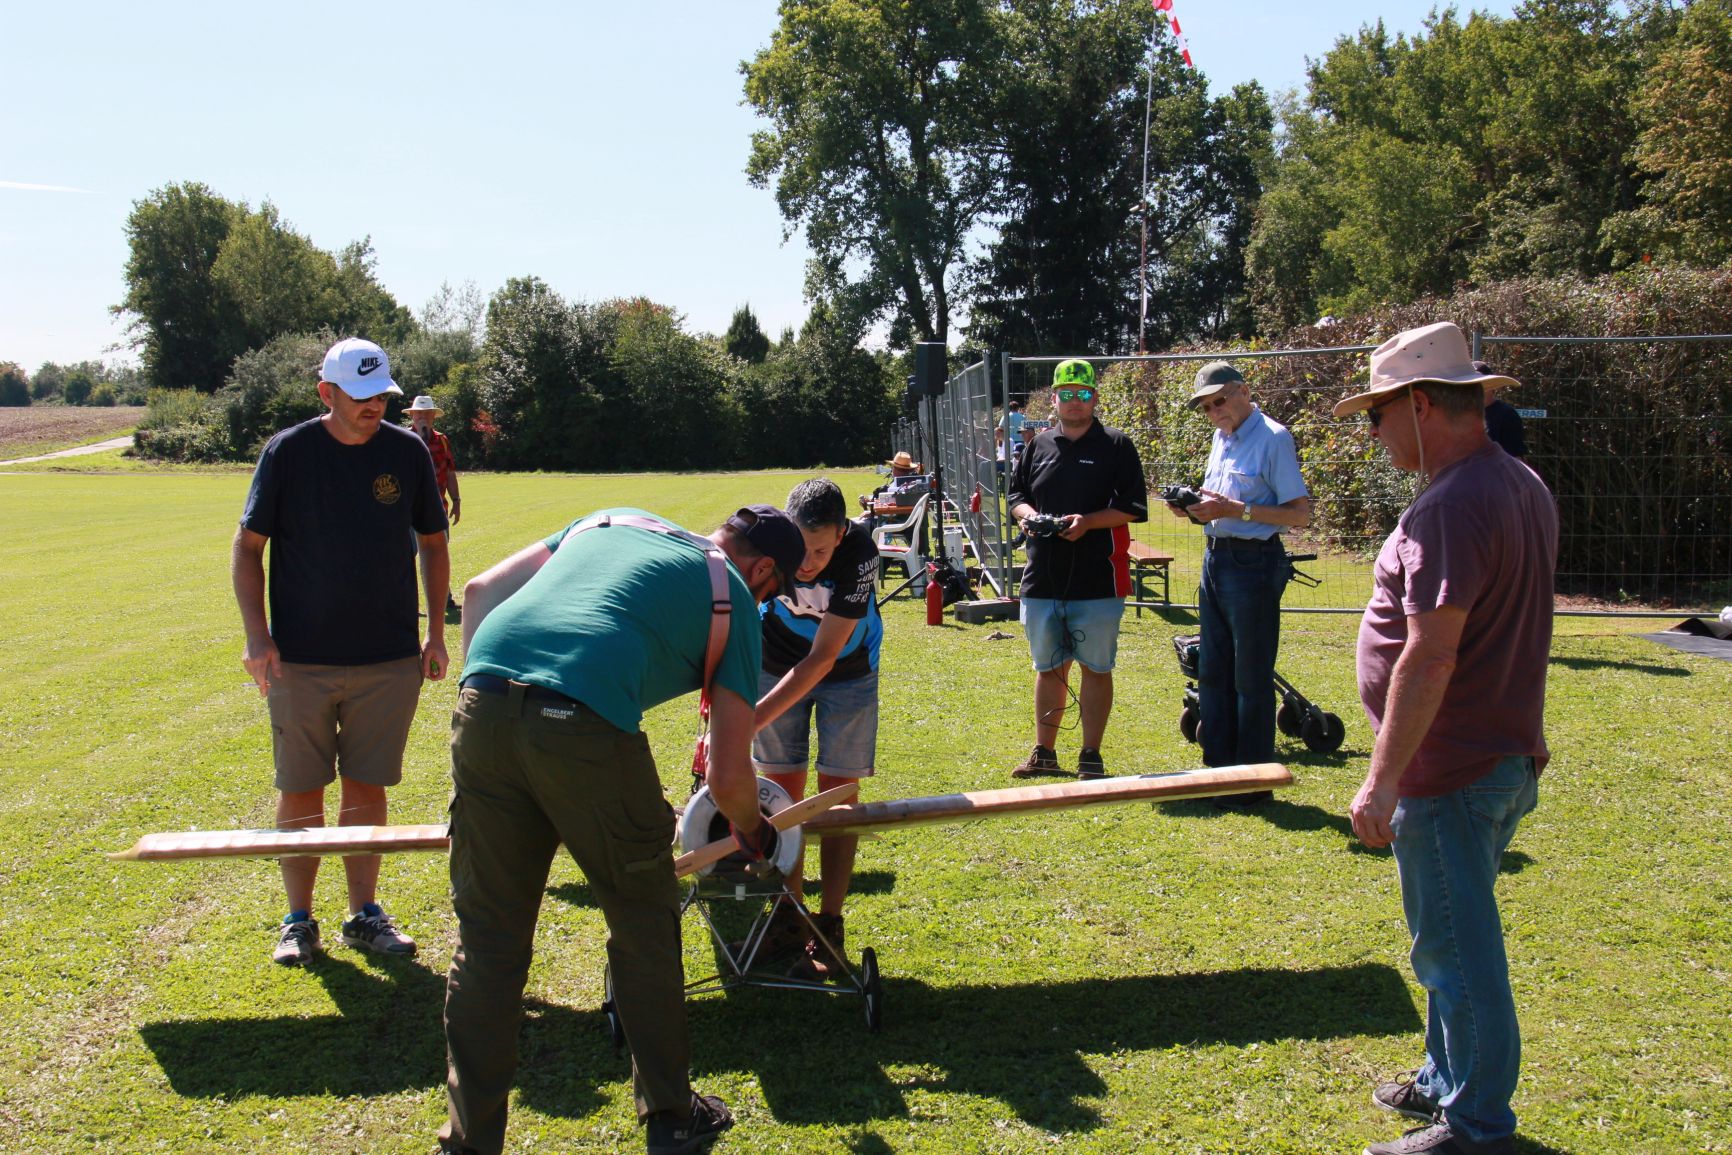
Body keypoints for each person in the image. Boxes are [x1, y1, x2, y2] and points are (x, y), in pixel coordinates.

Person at [439, 504, 808, 1155]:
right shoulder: (733, 593)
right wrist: (755, 832)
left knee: (488, 940)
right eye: (772, 592)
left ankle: (468, 1143)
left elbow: (478, 591)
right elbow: (729, 776)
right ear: (763, 570)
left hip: (483, 701)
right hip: (583, 720)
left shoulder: (614, 520)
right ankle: (671, 1116)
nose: (765, 604)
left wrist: (499, 715)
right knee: (643, 924)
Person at [1337, 322, 1556, 1155]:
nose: (1373, 432)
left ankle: (1476, 1124)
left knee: (1458, 950)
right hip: (1496, 753)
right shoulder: (1516, 481)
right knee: (1451, 934)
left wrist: (1383, 776)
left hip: (1453, 765)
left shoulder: (1455, 503)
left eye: (1377, 413)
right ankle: (1443, 1076)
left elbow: (1431, 653)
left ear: (1421, 405)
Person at [231, 337, 449, 966]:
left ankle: (363, 914)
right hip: (300, 659)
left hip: (387, 657)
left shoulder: (407, 451)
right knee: (301, 789)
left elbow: (433, 543)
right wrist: (257, 636)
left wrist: (435, 633)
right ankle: (298, 921)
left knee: (366, 787)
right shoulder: (289, 452)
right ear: (326, 392)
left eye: (381, 394)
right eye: (359, 395)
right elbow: (248, 548)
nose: (373, 405)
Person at [1167, 361, 1311, 809]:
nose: (1214, 412)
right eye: (1206, 407)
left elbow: (1299, 514)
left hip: (1253, 562)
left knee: (1250, 675)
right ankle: (1218, 770)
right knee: (1213, 669)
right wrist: (1194, 509)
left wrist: (1236, 510)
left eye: (1220, 401)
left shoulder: (1274, 437)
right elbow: (1221, 503)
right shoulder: (1222, 436)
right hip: (1216, 558)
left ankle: (1253, 780)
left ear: (1244, 392)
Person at [1007, 358, 1147, 780]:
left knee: (1096, 668)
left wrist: (1087, 522)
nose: (1074, 401)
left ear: (1095, 398)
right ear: (1054, 399)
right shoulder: (1037, 445)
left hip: (1099, 578)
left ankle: (1091, 755)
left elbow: (1133, 507)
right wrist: (1029, 517)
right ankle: (1044, 753)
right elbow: (1015, 496)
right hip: (1042, 577)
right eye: (1066, 394)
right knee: (1048, 668)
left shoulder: (1117, 445)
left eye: (1082, 394)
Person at [406, 394, 463, 614]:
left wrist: (456, 500)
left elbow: (449, 472)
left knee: (439, 556)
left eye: (427, 414)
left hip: (438, 509)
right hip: (408, 512)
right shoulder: (403, 441)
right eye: (419, 414)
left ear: (433, 417)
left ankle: (445, 600)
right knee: (404, 558)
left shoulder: (442, 441)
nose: (423, 417)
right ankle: (406, 602)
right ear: (412, 416)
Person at [1473, 361, 1529, 461]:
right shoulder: (1460, 414)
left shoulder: (1507, 415)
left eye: (1479, 382)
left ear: (1492, 385)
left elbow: (1515, 459)